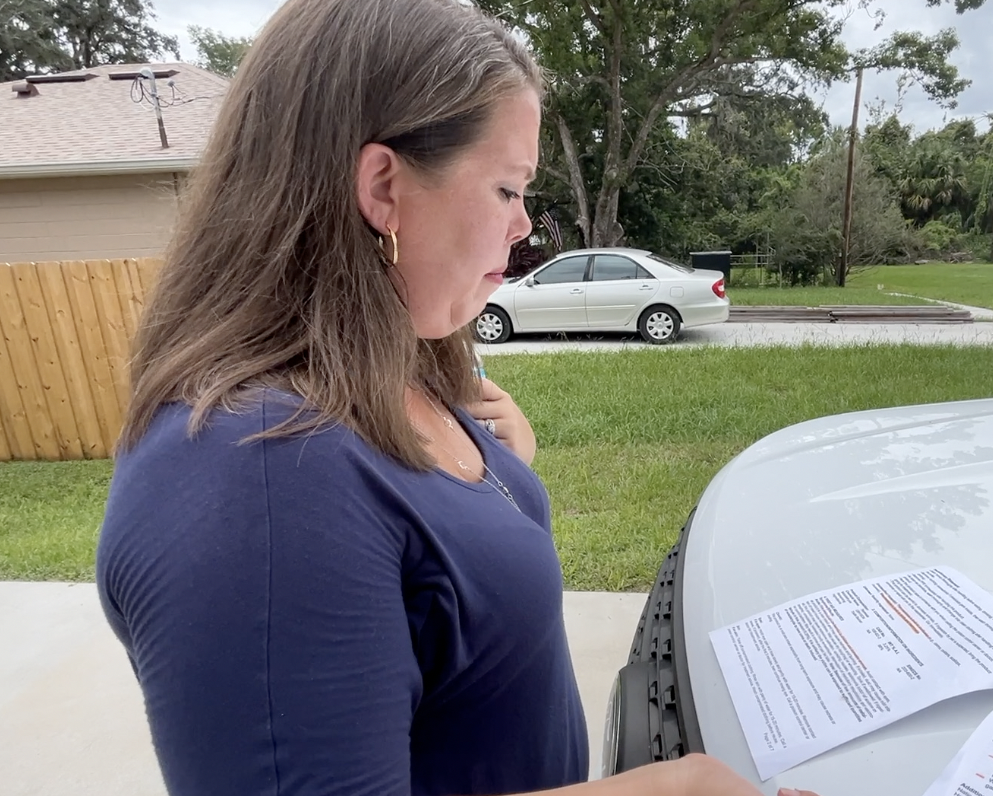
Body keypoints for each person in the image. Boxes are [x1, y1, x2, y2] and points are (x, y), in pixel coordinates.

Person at [94, 0, 814, 795]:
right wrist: (678, 789)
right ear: (383, 187)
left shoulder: (395, 374)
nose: (525, 225)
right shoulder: (256, 476)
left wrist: (494, 479)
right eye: (507, 187)